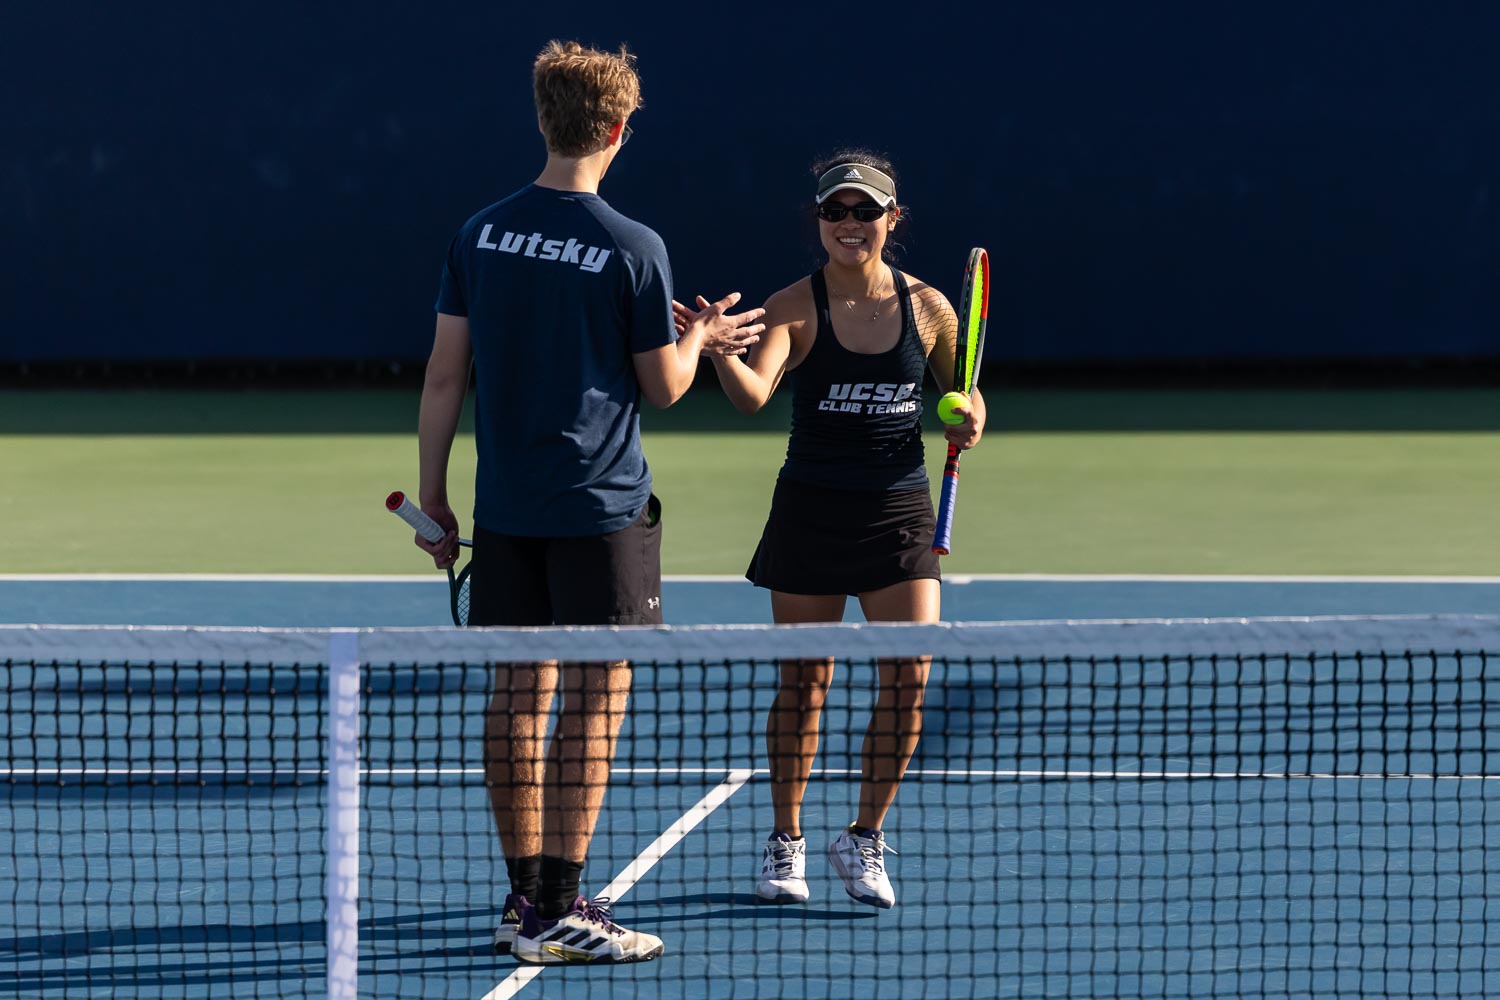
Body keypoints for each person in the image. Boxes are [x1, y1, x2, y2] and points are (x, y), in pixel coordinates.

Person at [414, 40, 763, 964]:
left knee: (517, 697)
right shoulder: (632, 246)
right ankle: (560, 907)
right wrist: (706, 337)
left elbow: (445, 377)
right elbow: (665, 388)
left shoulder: (479, 233)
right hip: (602, 513)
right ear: (616, 130)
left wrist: (436, 497)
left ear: (544, 119)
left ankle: (523, 901)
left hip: (505, 510)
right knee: (597, 700)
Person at [681, 150, 984, 909]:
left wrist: (972, 417)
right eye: (834, 211)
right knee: (805, 681)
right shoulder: (793, 305)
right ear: (818, 219)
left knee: (908, 678)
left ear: (892, 218)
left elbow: (963, 394)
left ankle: (864, 836)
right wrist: (718, 352)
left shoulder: (930, 308)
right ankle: (786, 842)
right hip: (811, 513)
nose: (850, 223)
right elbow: (753, 395)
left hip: (899, 514)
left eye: (865, 210)